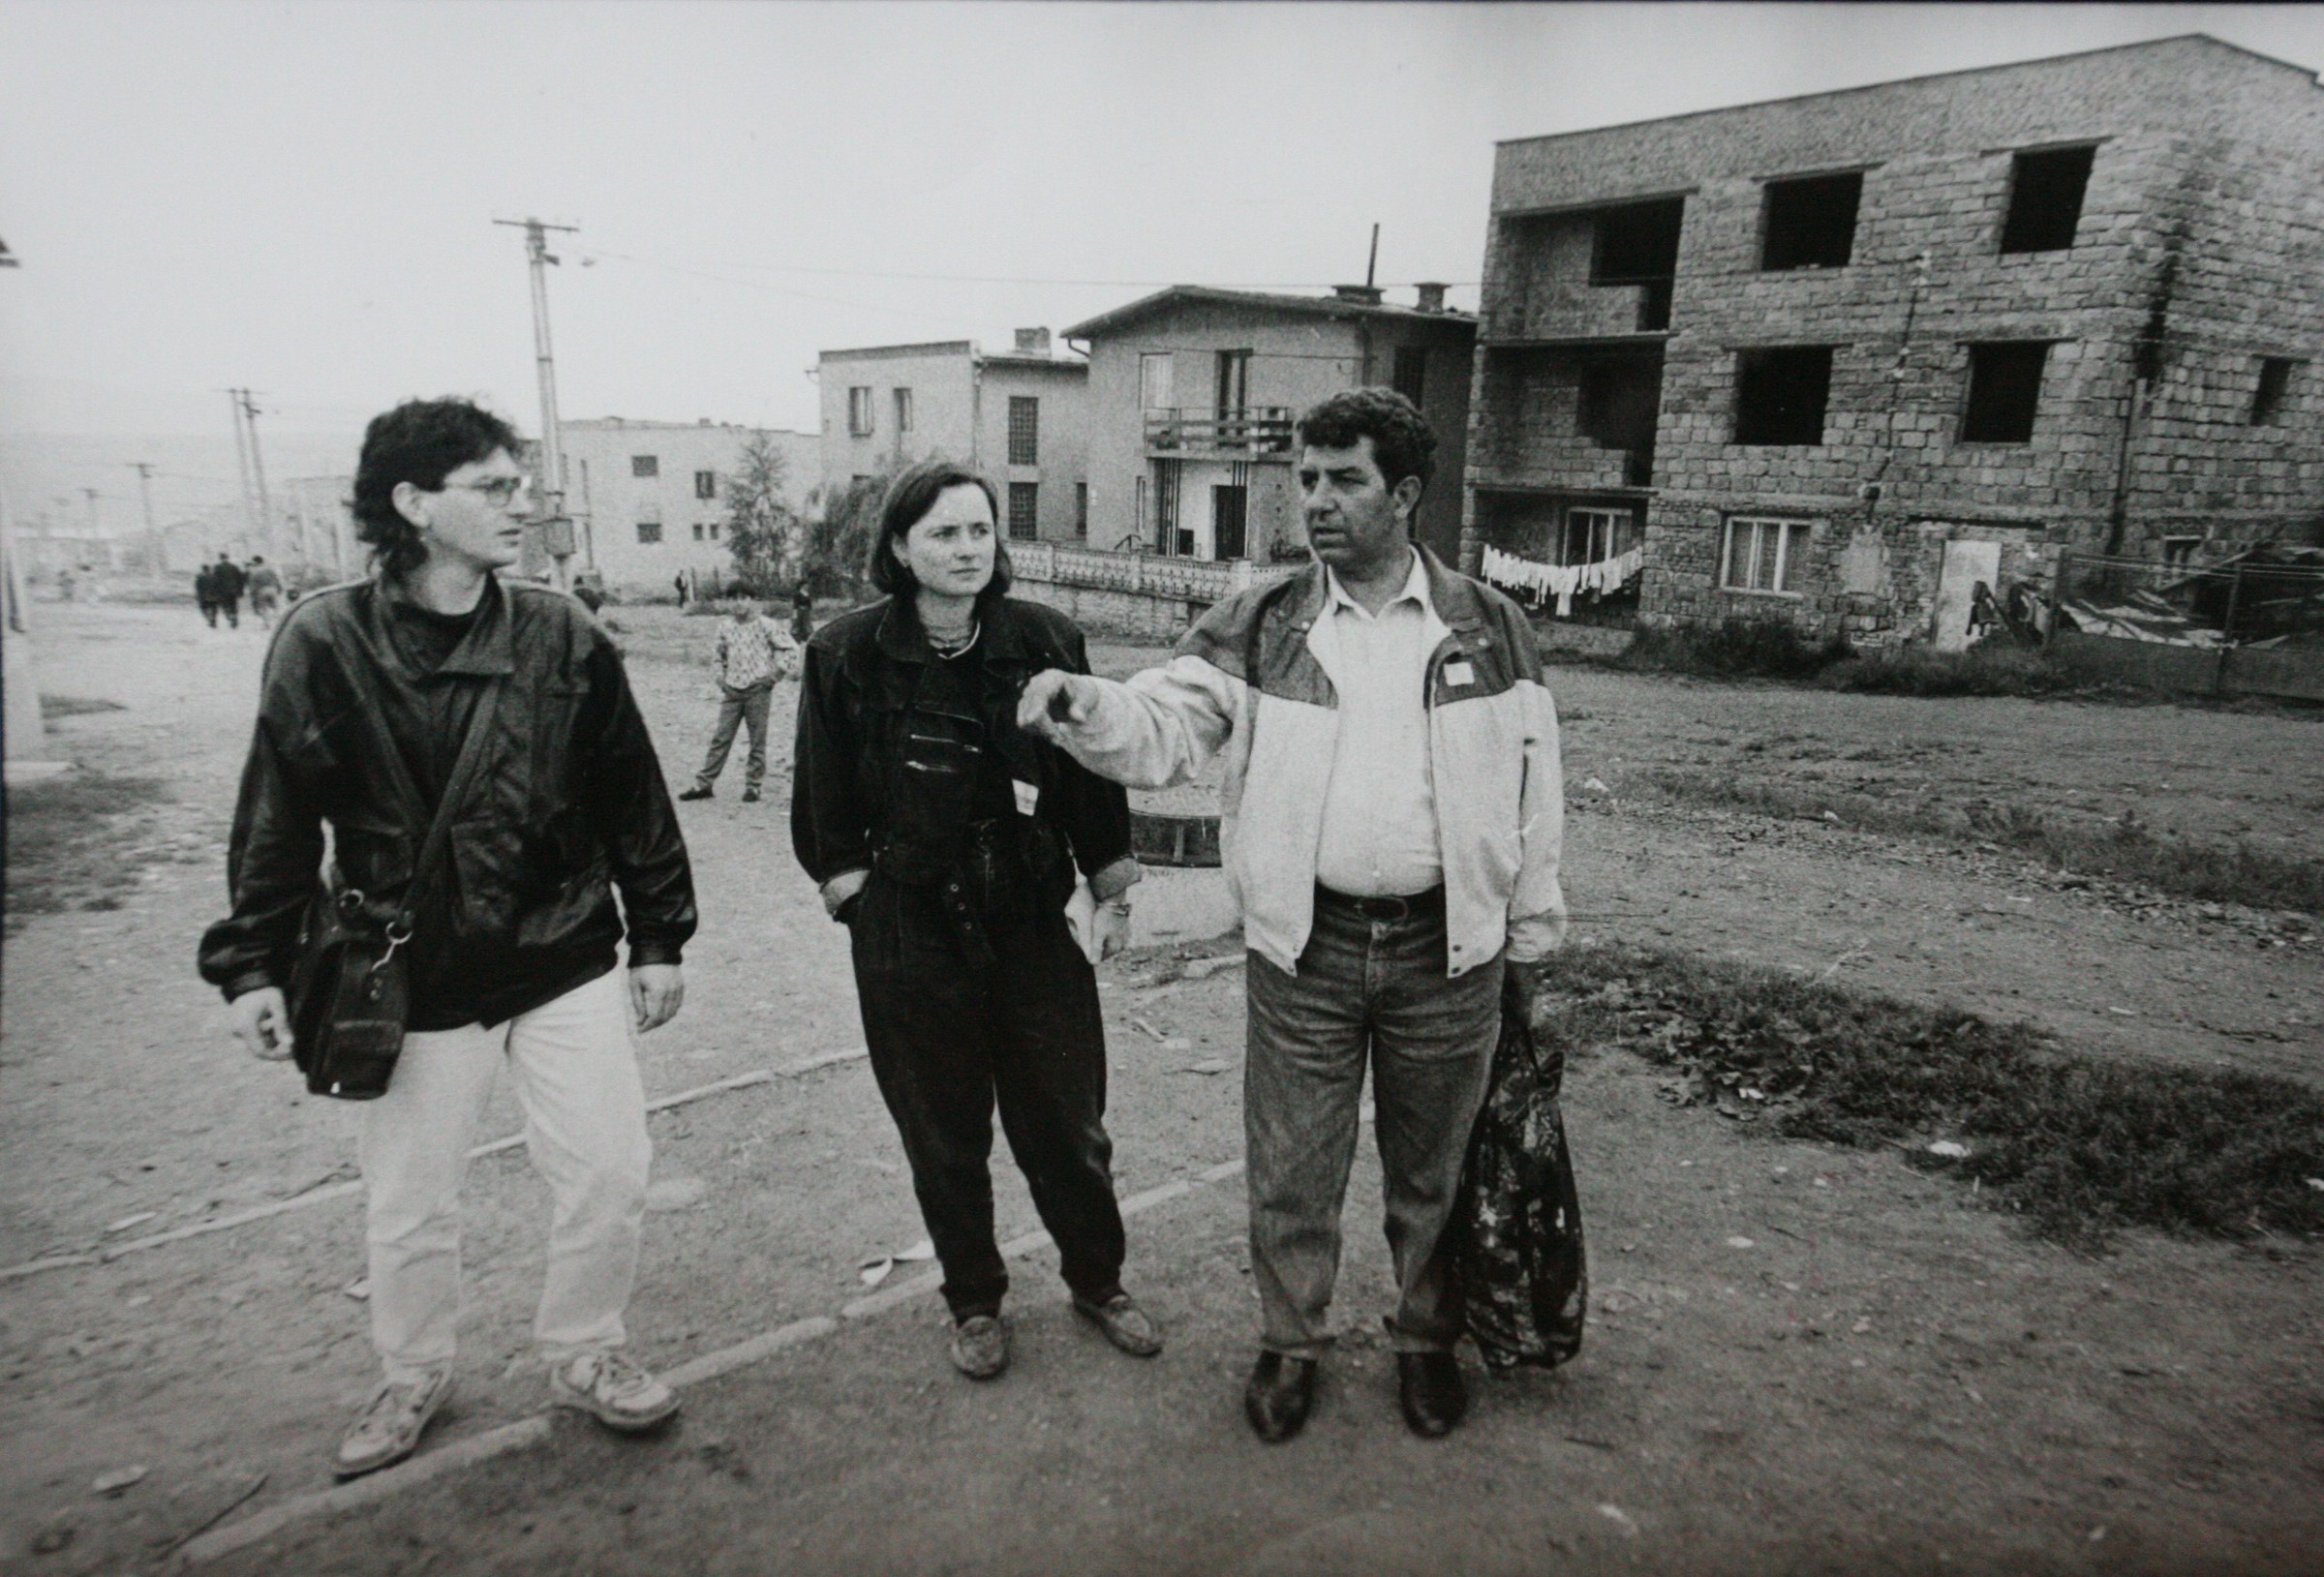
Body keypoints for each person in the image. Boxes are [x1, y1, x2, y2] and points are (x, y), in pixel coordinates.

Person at [1019, 387, 1568, 1442]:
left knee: (1435, 1173)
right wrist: (1087, 706)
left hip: (1449, 952)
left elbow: (1535, 800)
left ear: (1404, 494)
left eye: (1345, 480)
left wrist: (1532, 945)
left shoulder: (1490, 627)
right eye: (1307, 479)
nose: (1317, 500)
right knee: (1293, 1168)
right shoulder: (1263, 621)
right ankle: (1290, 1343)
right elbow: (1165, 727)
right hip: (1304, 949)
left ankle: (1425, 1341)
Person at [198, 398, 698, 1480]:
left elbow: (632, 793)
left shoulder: (561, 633)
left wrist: (660, 935)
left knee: (610, 1169)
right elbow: (278, 815)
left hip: (560, 952)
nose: (524, 504)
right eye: (495, 486)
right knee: (411, 1201)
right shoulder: (325, 641)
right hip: (409, 970)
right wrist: (251, 965)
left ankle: (585, 1348)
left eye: (522, 483)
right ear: (414, 504)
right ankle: (413, 1370)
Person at [792, 458, 1159, 1381]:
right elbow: (823, 802)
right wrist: (863, 905)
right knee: (942, 1132)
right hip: (911, 923)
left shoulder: (1045, 638)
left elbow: (1089, 776)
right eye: (943, 532)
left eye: (980, 530)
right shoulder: (844, 654)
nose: (966, 549)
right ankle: (975, 1300)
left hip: (1033, 914)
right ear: (899, 547)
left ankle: (1098, 1281)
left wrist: (1110, 887)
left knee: (1068, 1123)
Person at [677, 598, 796, 803]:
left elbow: (792, 649)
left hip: (758, 691)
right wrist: (720, 679)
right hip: (732, 691)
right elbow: (718, 655)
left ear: (752, 600)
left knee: (757, 740)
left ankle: (753, 786)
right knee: (721, 738)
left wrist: (774, 675)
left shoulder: (767, 625)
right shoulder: (725, 627)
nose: (738, 603)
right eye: (733, 598)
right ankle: (704, 784)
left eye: (743, 597)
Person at [210, 552, 248, 628]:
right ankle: (234, 617)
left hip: (222, 591)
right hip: (233, 590)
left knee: (225, 606)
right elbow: (240, 579)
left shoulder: (217, 568)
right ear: (227, 558)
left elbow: (214, 581)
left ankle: (230, 617)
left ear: (220, 558)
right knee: (233, 605)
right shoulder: (234, 567)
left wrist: (213, 591)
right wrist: (241, 591)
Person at [246, 554, 283, 626]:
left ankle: (266, 623)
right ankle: (279, 622)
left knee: (263, 608)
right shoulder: (269, 569)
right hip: (272, 589)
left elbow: (253, 585)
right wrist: (279, 588)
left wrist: (252, 594)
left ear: (255, 562)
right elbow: (276, 579)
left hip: (261, 591)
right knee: (275, 607)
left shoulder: (254, 572)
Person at [195, 559, 220, 626]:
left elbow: (198, 588)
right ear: (209, 569)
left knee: (203, 609)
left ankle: (209, 619)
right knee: (214, 609)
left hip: (204, 597)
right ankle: (213, 619)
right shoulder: (214, 577)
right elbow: (218, 587)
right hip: (214, 596)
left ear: (203, 570)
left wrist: (198, 596)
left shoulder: (200, 577)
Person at [791, 581, 815, 645]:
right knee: (798, 625)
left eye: (807, 585)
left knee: (807, 625)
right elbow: (795, 604)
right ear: (802, 585)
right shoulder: (798, 593)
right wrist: (795, 613)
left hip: (806, 612)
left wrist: (810, 611)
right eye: (805, 585)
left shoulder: (807, 593)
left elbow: (809, 604)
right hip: (800, 611)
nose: (807, 586)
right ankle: (797, 640)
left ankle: (807, 640)